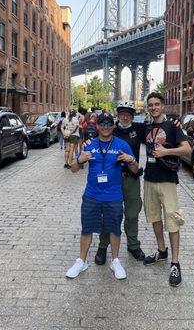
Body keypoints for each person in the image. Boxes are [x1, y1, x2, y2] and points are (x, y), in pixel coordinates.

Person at [66, 113, 138, 280]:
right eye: (102, 124)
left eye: (109, 124)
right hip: (92, 195)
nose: (105, 127)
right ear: (97, 126)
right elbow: (73, 169)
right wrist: (80, 160)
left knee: (114, 229)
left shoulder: (122, 145)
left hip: (114, 196)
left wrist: (131, 160)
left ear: (113, 126)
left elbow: (135, 170)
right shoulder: (89, 145)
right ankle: (81, 261)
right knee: (87, 228)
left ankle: (115, 261)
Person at [143, 92, 191, 287]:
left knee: (172, 221)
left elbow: (187, 149)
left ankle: (175, 262)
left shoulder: (173, 126)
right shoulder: (146, 127)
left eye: (157, 104)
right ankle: (162, 252)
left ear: (163, 106)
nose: (153, 107)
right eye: (151, 105)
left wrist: (166, 151)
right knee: (154, 217)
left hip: (168, 180)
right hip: (149, 179)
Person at [94, 102, 146, 265]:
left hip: (131, 177)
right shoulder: (110, 129)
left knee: (132, 214)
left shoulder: (139, 128)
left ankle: (133, 245)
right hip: (112, 179)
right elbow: (95, 141)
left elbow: (159, 130)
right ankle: (103, 246)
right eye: (122, 113)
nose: (125, 117)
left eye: (129, 114)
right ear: (117, 115)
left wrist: (175, 124)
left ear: (132, 116)